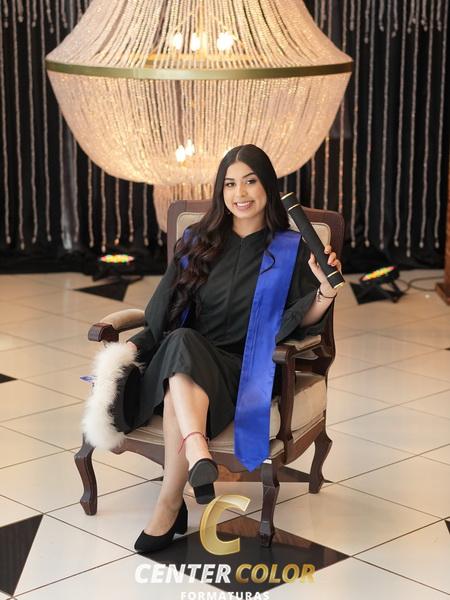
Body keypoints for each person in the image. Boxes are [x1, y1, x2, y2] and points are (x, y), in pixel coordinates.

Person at [126, 144, 342, 553]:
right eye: (229, 184)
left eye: (250, 181)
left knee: (176, 381)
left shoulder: (291, 248)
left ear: (267, 186)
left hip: (248, 369)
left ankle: (173, 500)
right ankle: (193, 459)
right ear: (219, 191)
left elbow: (301, 318)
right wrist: (129, 355)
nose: (239, 193)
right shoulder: (198, 241)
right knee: (180, 344)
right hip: (192, 356)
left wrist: (325, 291)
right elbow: (161, 310)